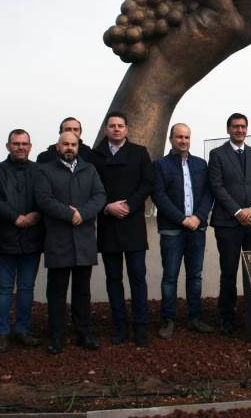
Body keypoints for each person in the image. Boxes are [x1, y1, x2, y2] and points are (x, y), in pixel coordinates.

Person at [35, 131, 106, 354]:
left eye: (73, 144)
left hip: (84, 241)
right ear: (58, 147)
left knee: (82, 291)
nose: (69, 148)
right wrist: (68, 214)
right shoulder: (45, 171)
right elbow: (44, 199)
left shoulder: (90, 169)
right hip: (59, 241)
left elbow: (100, 196)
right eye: (65, 144)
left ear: (78, 147)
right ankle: (56, 336)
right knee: (56, 292)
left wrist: (82, 214)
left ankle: (83, 333)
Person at [89, 111, 155, 347]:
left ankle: (140, 328)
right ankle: (119, 327)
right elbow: (91, 188)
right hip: (108, 224)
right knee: (113, 279)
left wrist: (129, 205)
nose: (116, 129)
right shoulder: (95, 157)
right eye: (112, 126)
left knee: (138, 277)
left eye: (120, 126)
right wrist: (107, 207)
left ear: (127, 129)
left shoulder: (139, 153)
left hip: (133, 223)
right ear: (106, 129)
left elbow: (147, 182)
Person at [0, 129, 44, 352]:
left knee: (27, 288)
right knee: (5, 289)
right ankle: (2, 333)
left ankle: (23, 330)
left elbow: (46, 197)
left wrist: (36, 214)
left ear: (30, 146)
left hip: (32, 239)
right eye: (16, 143)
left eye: (24, 143)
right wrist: (15, 217)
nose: (20, 147)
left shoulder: (39, 171)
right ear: (8, 146)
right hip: (4, 239)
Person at [151, 123, 215, 339]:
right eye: (179, 137)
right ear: (171, 139)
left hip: (197, 229)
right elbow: (159, 196)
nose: (183, 141)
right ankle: (168, 320)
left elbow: (208, 194)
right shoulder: (160, 165)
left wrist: (198, 217)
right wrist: (181, 219)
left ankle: (195, 318)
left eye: (187, 137)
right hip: (172, 230)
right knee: (170, 277)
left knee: (195, 276)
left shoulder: (201, 164)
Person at [208, 112, 251, 335]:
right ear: (228, 129)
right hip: (228, 223)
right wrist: (237, 211)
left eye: (243, 126)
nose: (240, 130)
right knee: (229, 271)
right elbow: (217, 186)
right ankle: (227, 317)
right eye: (235, 127)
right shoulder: (217, 154)